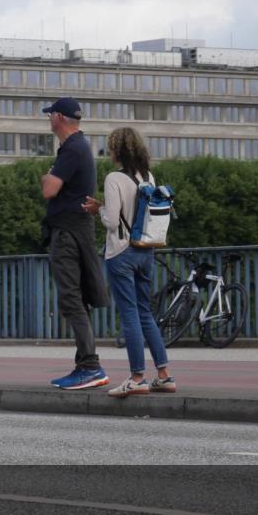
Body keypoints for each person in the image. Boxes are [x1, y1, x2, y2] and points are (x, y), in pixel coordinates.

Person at [83, 127, 174, 397]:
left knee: (130, 315)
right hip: (145, 251)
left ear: (117, 150)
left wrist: (98, 209)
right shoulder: (147, 176)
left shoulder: (114, 178)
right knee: (146, 313)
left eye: (110, 147)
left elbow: (112, 221)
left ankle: (136, 378)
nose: (108, 152)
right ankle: (164, 375)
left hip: (121, 253)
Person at [39, 97, 110, 390]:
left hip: (67, 233)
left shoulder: (71, 149)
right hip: (78, 230)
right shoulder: (80, 146)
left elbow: (49, 189)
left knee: (71, 298)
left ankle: (90, 366)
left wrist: (47, 176)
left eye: (50, 115)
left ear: (59, 117)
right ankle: (87, 364)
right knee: (78, 298)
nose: (48, 119)